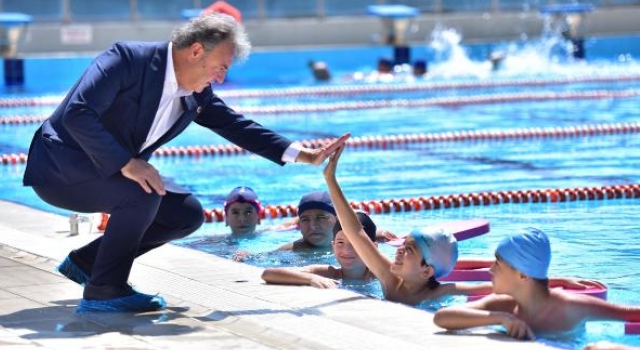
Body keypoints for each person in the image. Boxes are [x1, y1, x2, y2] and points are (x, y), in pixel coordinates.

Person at [22, 13, 348, 313]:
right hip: (61, 170)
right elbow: (78, 113)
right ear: (195, 52)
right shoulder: (126, 61)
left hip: (105, 174)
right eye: (220, 67)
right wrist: (126, 163)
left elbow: (235, 125)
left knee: (185, 214)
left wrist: (304, 155)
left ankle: (89, 263)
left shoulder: (195, 93)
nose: (220, 78)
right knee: (143, 192)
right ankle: (105, 289)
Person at [322, 145, 602, 307]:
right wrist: (331, 180)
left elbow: (507, 287)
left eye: (407, 250)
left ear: (427, 270)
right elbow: (356, 233)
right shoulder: (387, 277)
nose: (396, 252)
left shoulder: (443, 292)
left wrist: (561, 282)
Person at [433, 228, 640, 340]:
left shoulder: (571, 307)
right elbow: (442, 317)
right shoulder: (504, 305)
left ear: (523, 275)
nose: (490, 270)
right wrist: (501, 318)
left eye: (498, 264)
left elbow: (632, 314)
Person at [261, 211, 377, 288]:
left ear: (374, 247)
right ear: (333, 246)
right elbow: (268, 274)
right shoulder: (329, 273)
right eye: (340, 242)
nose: (346, 250)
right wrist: (311, 278)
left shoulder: (380, 275)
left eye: (356, 243)